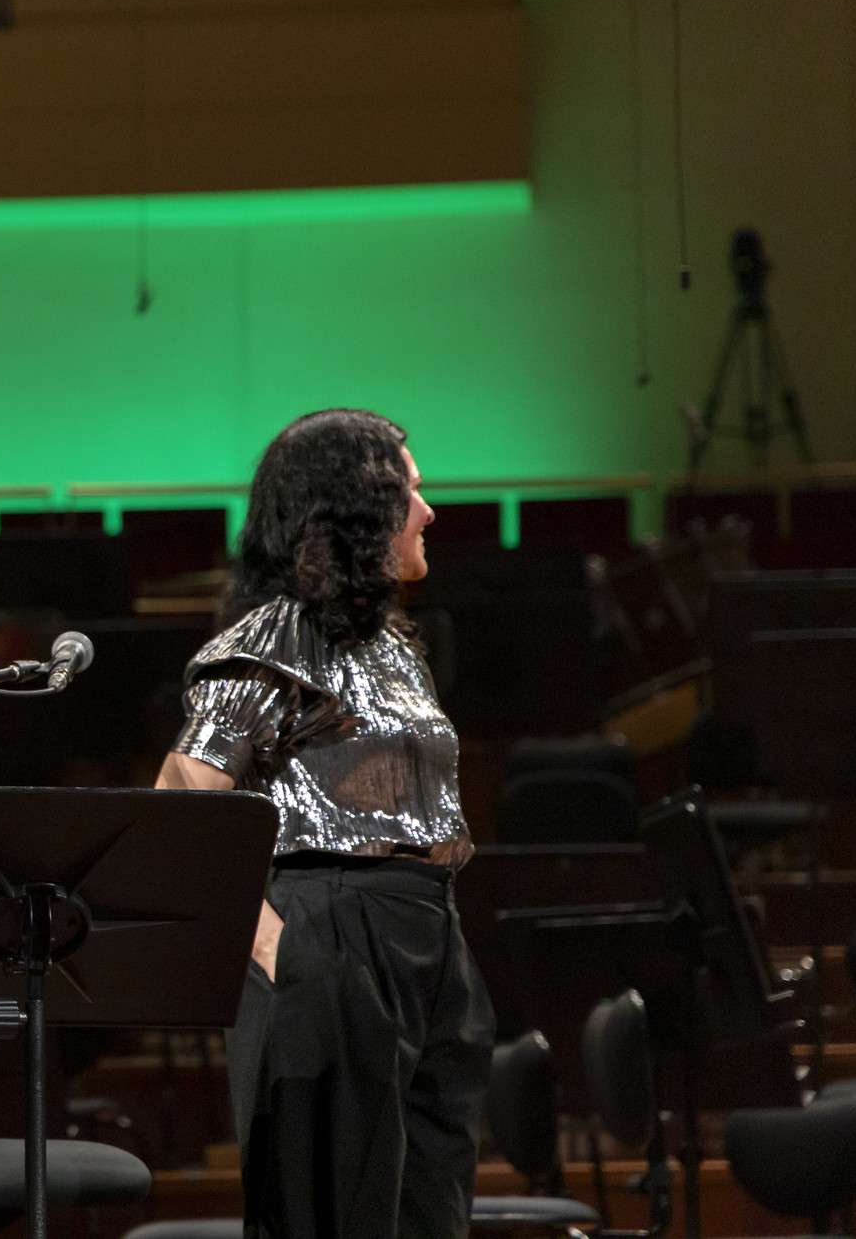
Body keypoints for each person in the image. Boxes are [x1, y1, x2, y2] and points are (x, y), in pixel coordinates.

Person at [156, 409, 492, 1237]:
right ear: (356, 509)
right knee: (333, 1215)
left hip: (425, 936)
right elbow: (182, 792)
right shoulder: (278, 637)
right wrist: (276, 950)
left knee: (429, 1214)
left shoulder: (392, 642)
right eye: (409, 490)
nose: (428, 509)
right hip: (332, 928)